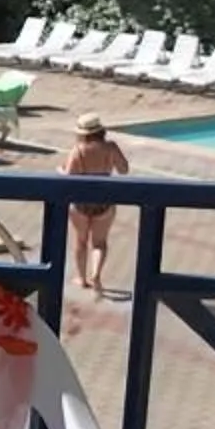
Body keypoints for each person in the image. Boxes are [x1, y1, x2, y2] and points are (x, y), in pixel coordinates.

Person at [59, 115, 130, 302]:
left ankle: (82, 279)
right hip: (104, 199)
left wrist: (60, 170)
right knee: (99, 243)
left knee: (81, 241)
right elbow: (124, 170)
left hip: (81, 201)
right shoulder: (111, 147)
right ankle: (96, 275)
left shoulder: (78, 150)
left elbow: (69, 177)